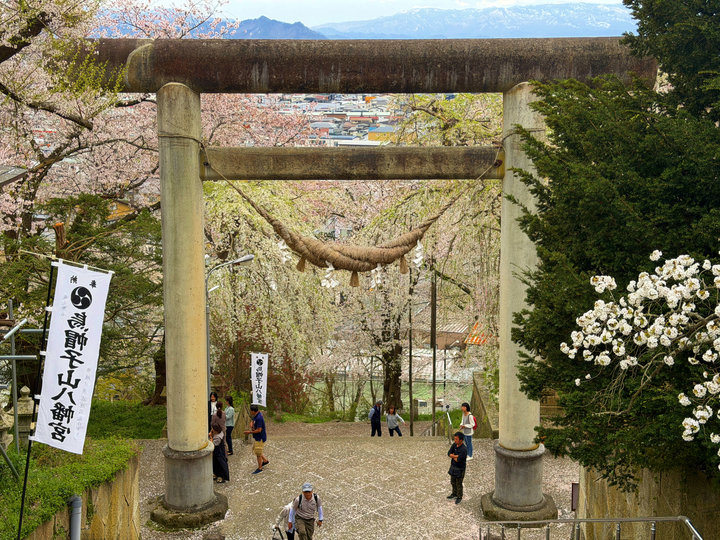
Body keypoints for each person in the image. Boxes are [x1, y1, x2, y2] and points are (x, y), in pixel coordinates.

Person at [244, 404, 269, 474]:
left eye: (250, 411)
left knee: (258, 453)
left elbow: (259, 430)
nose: (250, 412)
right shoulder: (256, 415)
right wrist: (251, 424)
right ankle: (265, 461)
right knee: (256, 450)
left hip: (260, 438)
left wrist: (249, 432)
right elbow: (252, 420)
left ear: (253, 411)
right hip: (257, 437)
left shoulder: (259, 418)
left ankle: (260, 468)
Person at [447, 431, 467, 504]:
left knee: (459, 483)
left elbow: (458, 460)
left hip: (460, 468)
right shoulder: (454, 445)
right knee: (453, 481)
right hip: (453, 466)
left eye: (456, 439)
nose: (455, 440)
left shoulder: (463, 449)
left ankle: (459, 496)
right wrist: (455, 456)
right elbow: (449, 453)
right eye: (454, 439)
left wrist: (453, 456)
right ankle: (454, 493)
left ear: (461, 440)